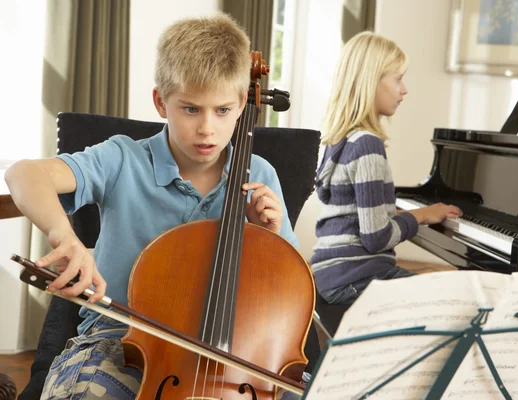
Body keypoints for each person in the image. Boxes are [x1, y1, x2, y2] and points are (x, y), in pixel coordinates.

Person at [5, 13, 299, 400]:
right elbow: (24, 175)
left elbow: (292, 302)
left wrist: (269, 238)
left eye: (223, 110)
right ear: (161, 102)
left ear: (244, 102)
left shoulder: (259, 173)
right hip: (117, 341)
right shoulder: (122, 159)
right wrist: (65, 235)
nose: (207, 128)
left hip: (233, 354)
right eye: (191, 109)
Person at [310, 32, 462, 306]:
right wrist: (423, 215)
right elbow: (376, 238)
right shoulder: (368, 145)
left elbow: (358, 216)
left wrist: (406, 214)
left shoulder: (341, 139)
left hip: (330, 274)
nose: (404, 90)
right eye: (398, 79)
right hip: (357, 278)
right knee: (448, 302)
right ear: (371, 82)